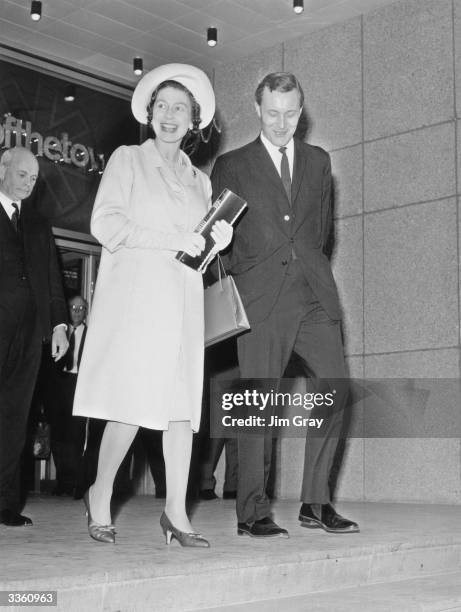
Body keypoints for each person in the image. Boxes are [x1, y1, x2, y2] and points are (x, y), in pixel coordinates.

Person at [73, 63, 232, 547]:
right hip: (139, 305)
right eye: (161, 106)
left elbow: (193, 252)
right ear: (150, 113)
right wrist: (173, 238)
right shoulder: (127, 160)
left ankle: (176, 513)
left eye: (179, 108)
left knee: (183, 412)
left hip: (183, 307)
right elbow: (107, 225)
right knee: (132, 406)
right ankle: (99, 495)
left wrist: (214, 243)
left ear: (194, 121)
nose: (169, 115)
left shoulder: (202, 184)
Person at [210, 72, 359, 538]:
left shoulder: (318, 161)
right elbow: (221, 239)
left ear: (301, 109)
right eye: (272, 113)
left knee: (335, 390)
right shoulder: (233, 164)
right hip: (260, 297)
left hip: (314, 293)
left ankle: (315, 503)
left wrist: (307, 265)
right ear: (258, 109)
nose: (281, 122)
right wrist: (246, 274)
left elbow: (321, 232)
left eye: (290, 113)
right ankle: (252, 511)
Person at [0, 146, 68, 527]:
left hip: (28, 337)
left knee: (15, 418)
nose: (29, 184)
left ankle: (5, 503)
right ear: (3, 168)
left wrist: (59, 325)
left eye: (33, 179)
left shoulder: (39, 223)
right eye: (23, 175)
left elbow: (53, 279)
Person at [50, 295, 88, 497]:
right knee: (58, 436)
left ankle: (75, 482)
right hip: (59, 386)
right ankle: (62, 481)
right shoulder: (57, 334)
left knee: (76, 436)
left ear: (86, 312)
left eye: (81, 308)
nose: (76, 311)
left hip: (79, 387)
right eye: (73, 307)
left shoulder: (92, 335)